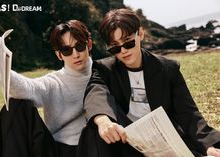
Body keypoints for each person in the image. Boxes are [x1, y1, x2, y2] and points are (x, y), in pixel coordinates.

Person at [81, 8, 220, 157]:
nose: (123, 51)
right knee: (94, 131)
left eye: (128, 43)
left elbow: (188, 113)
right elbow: (95, 92)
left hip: (163, 142)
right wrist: (102, 120)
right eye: (115, 47)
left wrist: (208, 145)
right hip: (126, 143)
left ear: (140, 34)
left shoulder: (168, 68)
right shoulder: (104, 69)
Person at [0, 20, 92, 157]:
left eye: (80, 46)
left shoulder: (105, 72)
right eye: (67, 50)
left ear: (89, 44)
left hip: (93, 147)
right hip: (56, 149)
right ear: (59, 55)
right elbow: (30, 88)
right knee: (15, 106)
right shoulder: (54, 82)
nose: (75, 54)